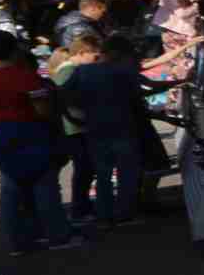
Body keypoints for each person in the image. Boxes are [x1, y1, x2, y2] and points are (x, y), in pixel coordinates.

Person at [0, 28, 77, 254]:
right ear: (14, 49)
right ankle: (57, 236)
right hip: (31, 132)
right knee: (45, 187)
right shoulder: (27, 77)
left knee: (10, 192)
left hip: (1, 134)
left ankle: (17, 243)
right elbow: (42, 110)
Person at [60, 33, 146, 228]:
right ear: (118, 53)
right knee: (127, 173)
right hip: (123, 127)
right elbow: (139, 95)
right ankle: (124, 213)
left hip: (95, 128)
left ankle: (104, 214)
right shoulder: (123, 71)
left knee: (102, 174)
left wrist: (76, 115)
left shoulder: (83, 71)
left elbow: (63, 94)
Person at [45, 30, 103, 225]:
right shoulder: (68, 71)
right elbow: (67, 101)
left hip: (74, 127)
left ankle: (82, 206)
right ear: (81, 53)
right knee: (84, 169)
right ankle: (79, 208)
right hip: (74, 129)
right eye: (94, 56)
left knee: (85, 168)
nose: (96, 61)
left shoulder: (68, 70)